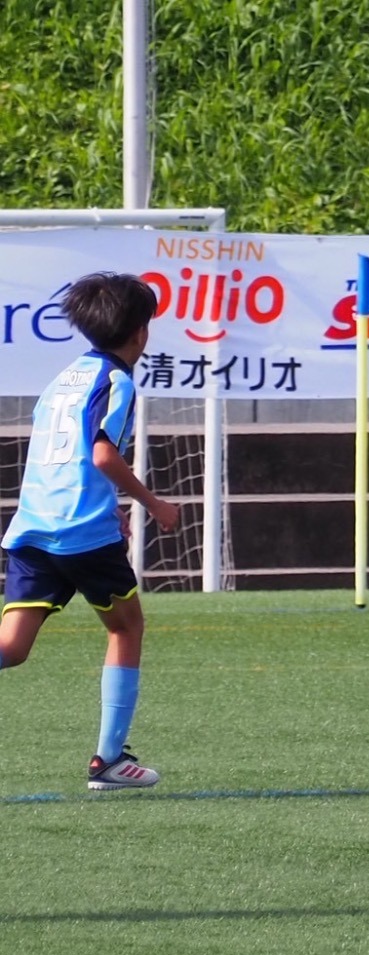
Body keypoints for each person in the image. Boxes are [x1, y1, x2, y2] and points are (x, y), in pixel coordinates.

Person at [0, 272, 181, 790]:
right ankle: (110, 761)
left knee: (11, 647)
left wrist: (108, 504)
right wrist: (153, 504)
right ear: (141, 333)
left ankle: (112, 760)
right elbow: (101, 454)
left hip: (33, 526)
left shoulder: (63, 379)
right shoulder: (117, 382)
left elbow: (60, 454)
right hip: (81, 532)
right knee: (126, 627)